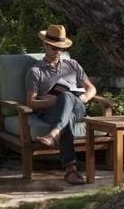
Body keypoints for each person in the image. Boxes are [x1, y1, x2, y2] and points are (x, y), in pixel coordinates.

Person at [25, 24, 97, 185]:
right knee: (67, 116)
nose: (57, 51)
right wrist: (51, 101)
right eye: (53, 47)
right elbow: (31, 103)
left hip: (78, 106)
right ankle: (71, 170)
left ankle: (52, 135)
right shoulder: (35, 71)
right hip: (51, 110)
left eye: (60, 48)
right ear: (44, 45)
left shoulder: (73, 65)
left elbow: (91, 88)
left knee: (67, 95)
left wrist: (84, 98)